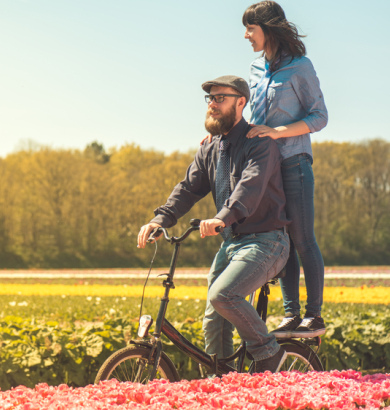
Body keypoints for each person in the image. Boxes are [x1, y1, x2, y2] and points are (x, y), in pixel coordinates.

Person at [137, 75, 291, 373]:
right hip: (232, 243)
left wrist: (221, 218)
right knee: (213, 319)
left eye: (220, 98)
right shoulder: (210, 148)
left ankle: (269, 354)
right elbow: (187, 189)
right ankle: (220, 382)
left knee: (224, 295)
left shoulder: (259, 144)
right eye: (210, 99)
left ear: (241, 102)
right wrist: (160, 220)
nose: (212, 104)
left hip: (267, 241)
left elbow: (250, 188)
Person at [243, 1, 328, 338]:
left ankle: (314, 315)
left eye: (251, 28)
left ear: (269, 28)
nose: (246, 35)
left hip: (294, 162)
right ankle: (290, 315)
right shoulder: (253, 69)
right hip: (266, 170)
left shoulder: (301, 67)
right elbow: (253, 122)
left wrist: (278, 132)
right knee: (283, 241)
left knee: (303, 238)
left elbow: (319, 116)